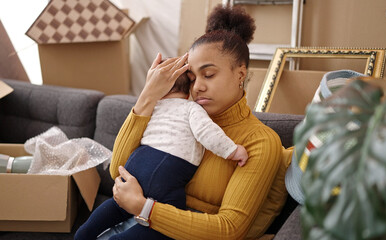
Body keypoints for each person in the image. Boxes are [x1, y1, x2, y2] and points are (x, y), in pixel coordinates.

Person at [109, 4, 288, 240]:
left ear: (240, 74)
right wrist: (146, 97)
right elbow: (118, 171)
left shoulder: (259, 141)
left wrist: (145, 209)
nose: (197, 87)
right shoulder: (180, 117)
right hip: (134, 223)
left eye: (209, 75)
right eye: (192, 78)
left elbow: (230, 229)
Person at [75, 64, 249, 240]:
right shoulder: (191, 108)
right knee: (166, 223)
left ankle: (84, 233)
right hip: (164, 173)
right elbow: (207, 133)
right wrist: (232, 151)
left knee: (116, 206)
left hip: (135, 166)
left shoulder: (152, 108)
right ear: (188, 92)